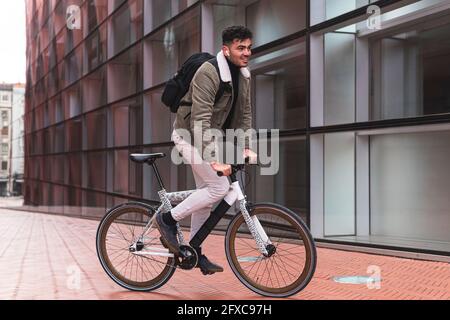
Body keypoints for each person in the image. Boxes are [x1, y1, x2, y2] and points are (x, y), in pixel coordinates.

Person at [155, 26, 257, 275]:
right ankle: (167, 220)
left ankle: (193, 249)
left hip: (211, 137)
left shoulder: (243, 75)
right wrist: (214, 160)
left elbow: (244, 115)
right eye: (240, 47)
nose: (246, 53)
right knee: (218, 188)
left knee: (206, 196)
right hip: (188, 135)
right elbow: (199, 120)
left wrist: (245, 147)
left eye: (248, 47)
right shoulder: (208, 72)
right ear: (226, 49)